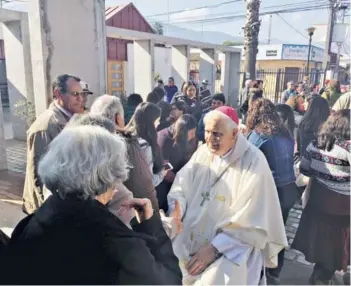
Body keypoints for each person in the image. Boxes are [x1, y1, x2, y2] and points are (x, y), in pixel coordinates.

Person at [0, 126, 182, 285]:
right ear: (110, 176)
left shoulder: (31, 223)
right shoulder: (114, 240)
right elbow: (169, 281)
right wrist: (150, 226)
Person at [167, 106, 288, 285]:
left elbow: (251, 218)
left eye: (217, 134)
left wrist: (215, 248)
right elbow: (181, 184)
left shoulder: (254, 161)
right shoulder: (203, 153)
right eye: (207, 132)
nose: (210, 139)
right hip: (190, 236)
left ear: (234, 133)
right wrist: (177, 207)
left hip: (232, 247)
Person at [292, 110, 350, 285]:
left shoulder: (316, 144)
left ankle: (321, 274)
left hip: (318, 201)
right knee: (336, 245)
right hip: (342, 208)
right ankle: (322, 277)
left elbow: (304, 168)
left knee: (321, 242)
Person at [246, 98, 297, 284]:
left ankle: (260, 271)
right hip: (289, 189)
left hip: (270, 191)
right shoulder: (287, 133)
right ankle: (275, 271)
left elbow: (246, 159)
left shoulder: (258, 135)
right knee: (279, 230)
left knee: (261, 232)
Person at [22, 74, 84, 214]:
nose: (81, 99)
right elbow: (41, 174)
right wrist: (48, 213)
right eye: (75, 94)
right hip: (48, 207)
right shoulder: (46, 126)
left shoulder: (71, 119)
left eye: (81, 94)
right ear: (58, 93)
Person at [90, 95, 160, 211]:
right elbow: (143, 186)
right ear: (118, 118)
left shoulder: (85, 145)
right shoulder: (126, 145)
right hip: (125, 212)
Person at [156, 115, 198, 212]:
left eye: (194, 133)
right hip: (163, 181)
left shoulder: (190, 140)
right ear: (182, 132)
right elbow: (164, 169)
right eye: (190, 134)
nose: (193, 136)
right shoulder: (165, 138)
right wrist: (179, 181)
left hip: (179, 177)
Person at [126, 102, 165, 187]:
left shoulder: (126, 137)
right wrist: (162, 174)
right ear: (150, 121)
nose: (158, 123)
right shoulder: (145, 146)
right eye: (157, 120)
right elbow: (149, 181)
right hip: (142, 195)